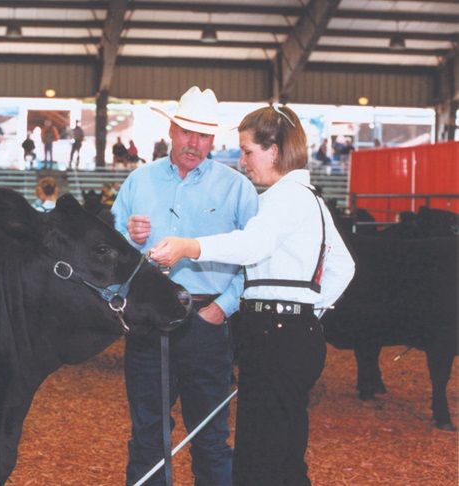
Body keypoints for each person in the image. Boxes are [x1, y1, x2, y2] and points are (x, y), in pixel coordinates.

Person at [148, 104, 355, 486]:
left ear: (274, 150)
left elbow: (251, 246)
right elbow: (344, 268)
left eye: (248, 151)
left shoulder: (286, 198)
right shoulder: (311, 199)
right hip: (288, 333)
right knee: (282, 453)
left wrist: (188, 246)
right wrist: (307, 313)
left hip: (277, 334)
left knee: (261, 459)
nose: (242, 161)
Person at [112, 86, 259, 486]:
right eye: (187, 133)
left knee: (209, 435)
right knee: (146, 434)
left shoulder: (237, 188)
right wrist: (129, 237)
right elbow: (110, 253)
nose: (195, 144)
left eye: (204, 136)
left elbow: (257, 256)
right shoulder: (138, 181)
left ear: (214, 139)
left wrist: (222, 308)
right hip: (147, 322)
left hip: (205, 321)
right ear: (172, 131)